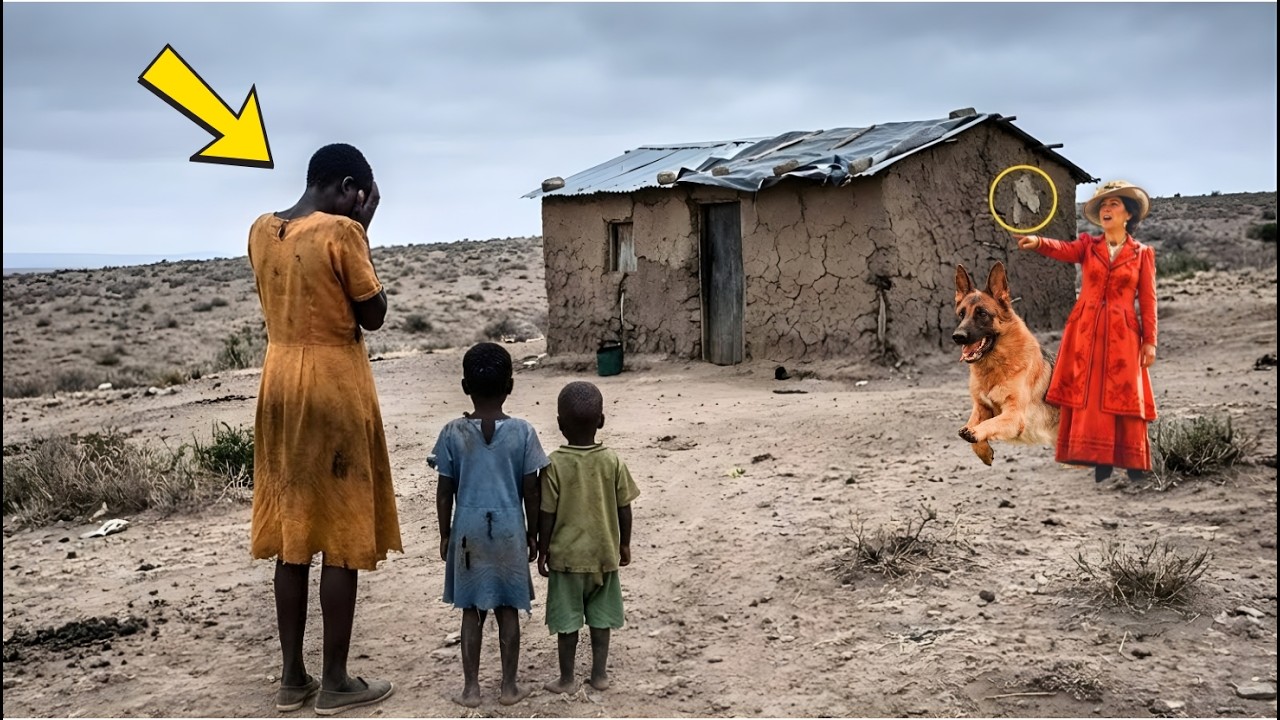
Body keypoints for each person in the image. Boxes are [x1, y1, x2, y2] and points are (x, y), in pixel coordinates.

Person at [247, 143, 400, 715]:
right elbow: (373, 314)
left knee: (293, 532)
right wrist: (362, 229)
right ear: (347, 188)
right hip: (332, 384)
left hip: (279, 378)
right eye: (361, 196)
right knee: (338, 535)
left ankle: (292, 678)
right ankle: (335, 681)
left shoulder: (262, 229)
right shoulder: (342, 231)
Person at [1015, 179, 1158, 483]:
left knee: (1126, 396)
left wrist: (1150, 342)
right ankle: (1099, 461)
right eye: (1103, 205)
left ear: (1128, 214)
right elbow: (1063, 249)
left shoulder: (1142, 254)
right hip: (1085, 332)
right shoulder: (1088, 247)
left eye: (1114, 204)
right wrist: (1039, 242)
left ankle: (1134, 464)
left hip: (1123, 334)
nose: (1107, 209)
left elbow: (1148, 300)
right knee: (1090, 396)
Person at [433, 342, 549, 708]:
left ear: (465, 386)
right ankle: (509, 687)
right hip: (510, 530)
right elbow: (533, 489)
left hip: (467, 532)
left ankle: (470, 689)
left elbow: (444, 491)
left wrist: (445, 534)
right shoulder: (523, 432)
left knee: (472, 609)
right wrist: (533, 534)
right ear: (510, 386)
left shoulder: (453, 432)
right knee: (507, 608)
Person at [538, 381, 640, 694]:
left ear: (559, 424)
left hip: (566, 560)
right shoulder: (612, 461)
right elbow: (625, 508)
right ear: (601, 420)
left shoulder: (554, 463)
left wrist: (543, 550)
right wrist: (624, 543)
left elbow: (547, 514)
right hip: (603, 556)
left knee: (567, 623)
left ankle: (567, 679)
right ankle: (599, 675)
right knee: (601, 619)